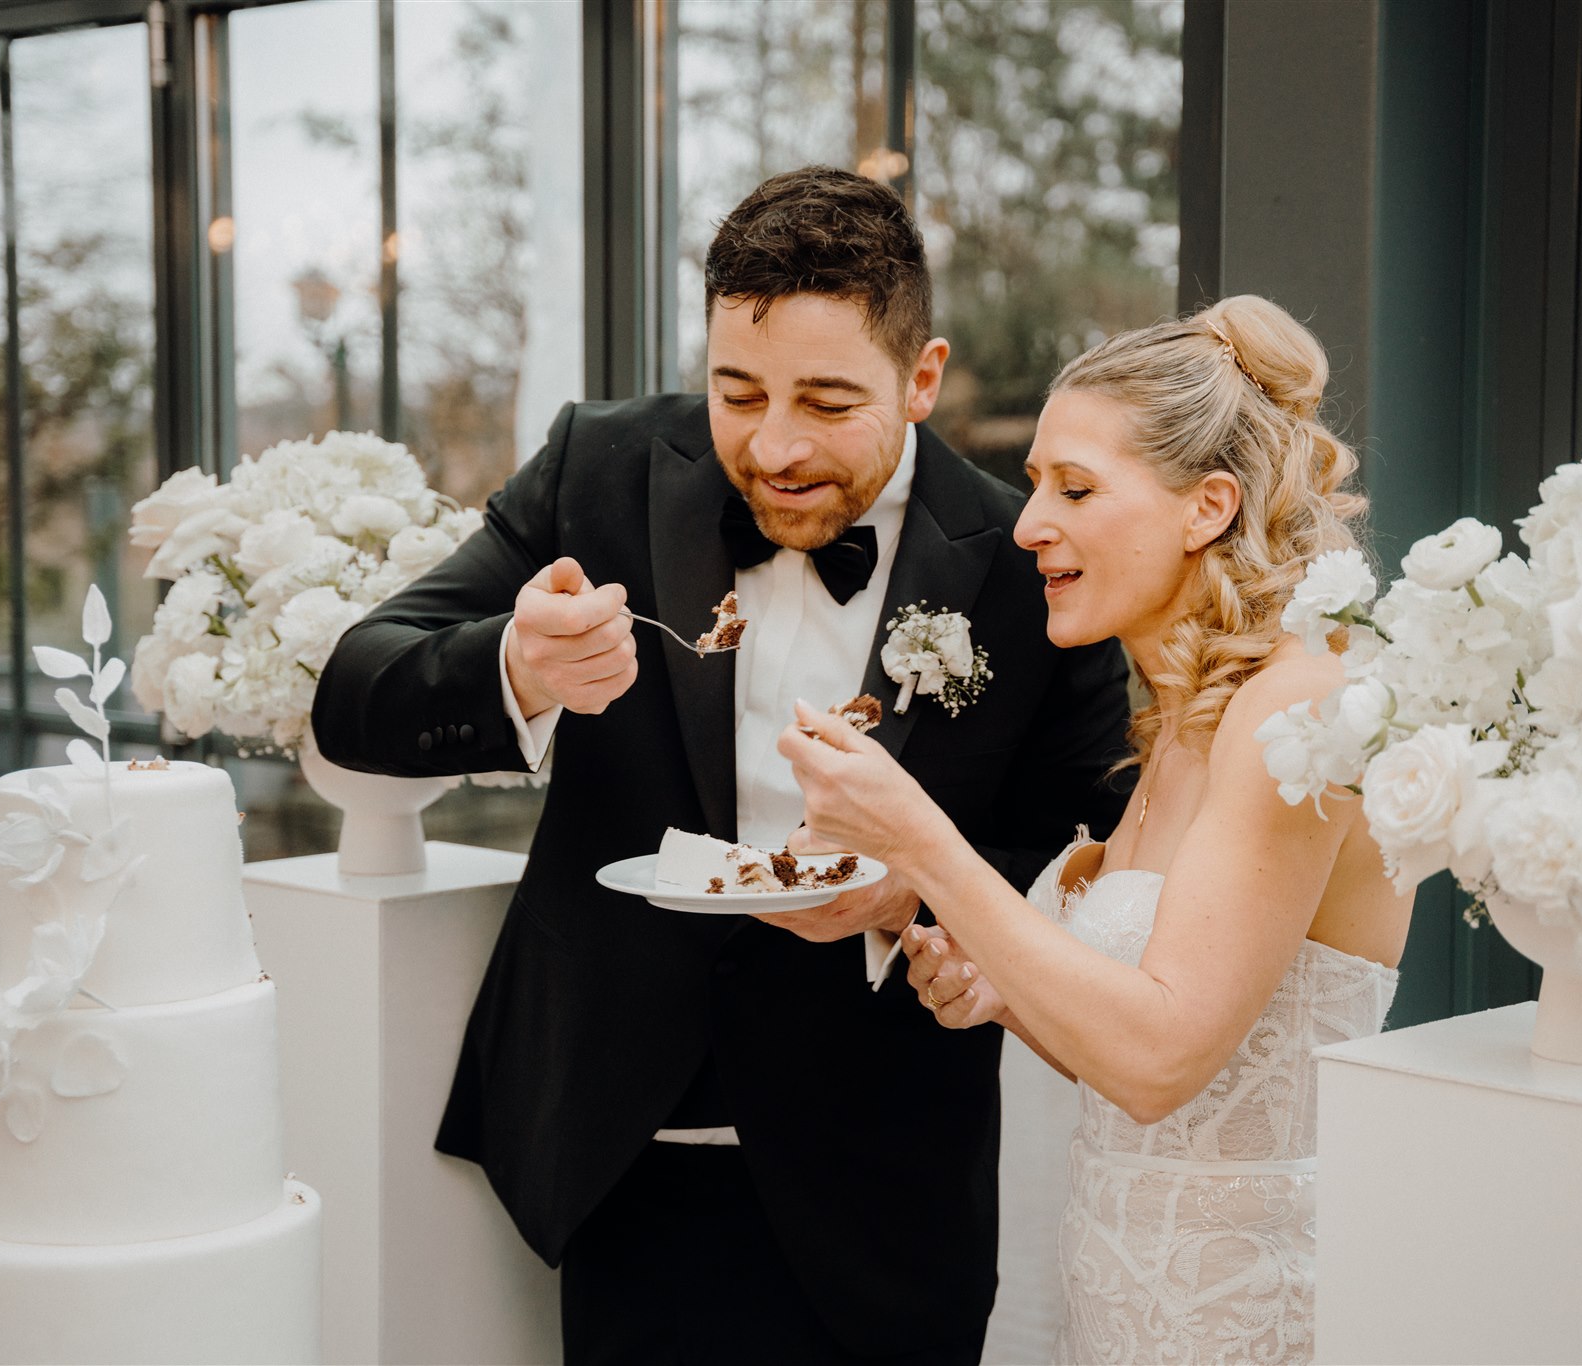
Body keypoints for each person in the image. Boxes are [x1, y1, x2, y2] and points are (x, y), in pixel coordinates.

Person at [309, 166, 1132, 1365]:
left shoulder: (1020, 558)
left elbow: (1093, 851)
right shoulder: (600, 467)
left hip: (884, 1191)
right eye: (735, 392)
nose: (775, 446)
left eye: (826, 400)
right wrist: (517, 667)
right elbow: (356, 691)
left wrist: (920, 889)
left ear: (922, 377)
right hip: (615, 1156)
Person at [778, 296, 1413, 1366]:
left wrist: (924, 841)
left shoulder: (1298, 705)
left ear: (1205, 507)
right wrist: (997, 986)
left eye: (1072, 488)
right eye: (1032, 487)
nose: (1028, 525)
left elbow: (1158, 1058)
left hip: (1242, 1307)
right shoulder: (1178, 721)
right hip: (1114, 1289)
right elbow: (1144, 1039)